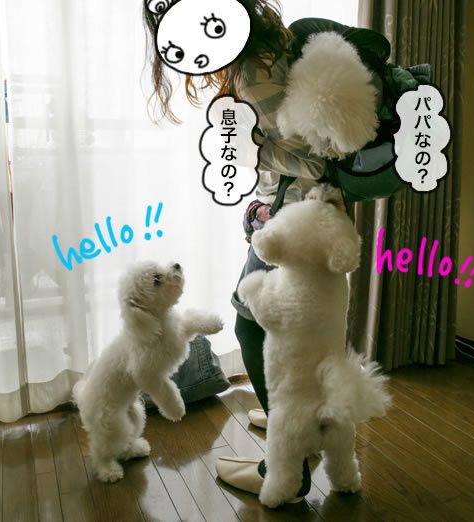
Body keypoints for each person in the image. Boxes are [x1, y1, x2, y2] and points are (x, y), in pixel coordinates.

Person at [143, 0, 394, 502]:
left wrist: (249, 145)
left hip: (297, 224)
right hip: (309, 215)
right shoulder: (270, 42)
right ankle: (295, 416)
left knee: (250, 323)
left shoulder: (252, 69)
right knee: (298, 335)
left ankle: (288, 466)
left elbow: (317, 159)